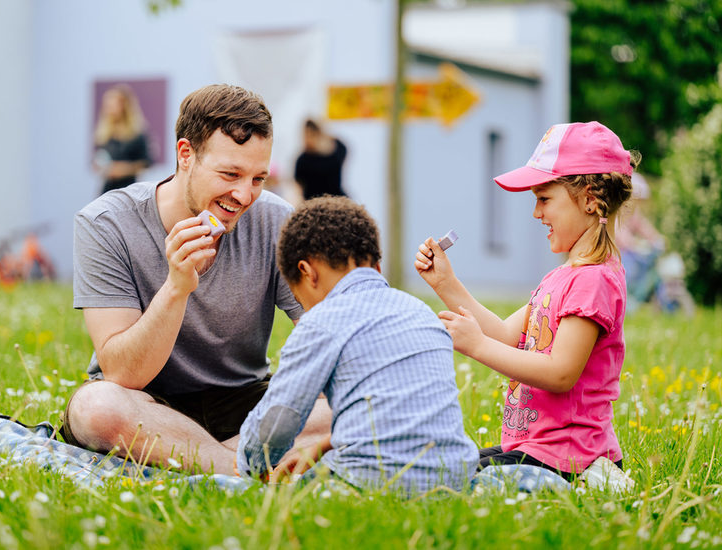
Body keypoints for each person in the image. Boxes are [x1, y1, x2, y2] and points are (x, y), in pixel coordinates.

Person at [61, 84, 331, 476]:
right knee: (95, 408)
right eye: (230, 174)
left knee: (351, 398)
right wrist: (176, 287)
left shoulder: (276, 221)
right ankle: (242, 469)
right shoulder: (106, 224)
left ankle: (207, 462)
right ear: (185, 155)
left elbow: (329, 333)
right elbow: (123, 373)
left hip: (245, 402)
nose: (244, 195)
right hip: (146, 403)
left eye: (258, 178)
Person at [415, 121, 636, 481]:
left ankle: (600, 482)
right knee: (446, 466)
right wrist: (446, 283)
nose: (536, 213)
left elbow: (561, 373)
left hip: (569, 460)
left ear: (590, 198)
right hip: (537, 450)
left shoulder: (594, 279)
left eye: (544, 199)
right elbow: (505, 334)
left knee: (454, 480)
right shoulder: (563, 275)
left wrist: (476, 346)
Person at [236, 196, 478, 494]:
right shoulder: (421, 313)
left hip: (364, 482)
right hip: (453, 477)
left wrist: (250, 469)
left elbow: (279, 420)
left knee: (217, 488)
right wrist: (325, 445)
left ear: (307, 272)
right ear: (376, 264)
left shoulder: (322, 321)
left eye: (300, 300)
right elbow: (399, 410)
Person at [93, 84, 153, 195]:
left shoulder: (137, 133)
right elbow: (98, 160)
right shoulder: (104, 133)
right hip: (107, 190)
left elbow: (146, 162)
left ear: (124, 105)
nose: (108, 108)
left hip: (128, 189)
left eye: (112, 104)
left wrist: (124, 169)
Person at [294, 119, 347, 200]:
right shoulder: (302, 160)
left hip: (337, 200)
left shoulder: (337, 149)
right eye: (306, 135)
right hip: (314, 204)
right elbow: (299, 187)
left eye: (311, 135)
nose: (308, 139)